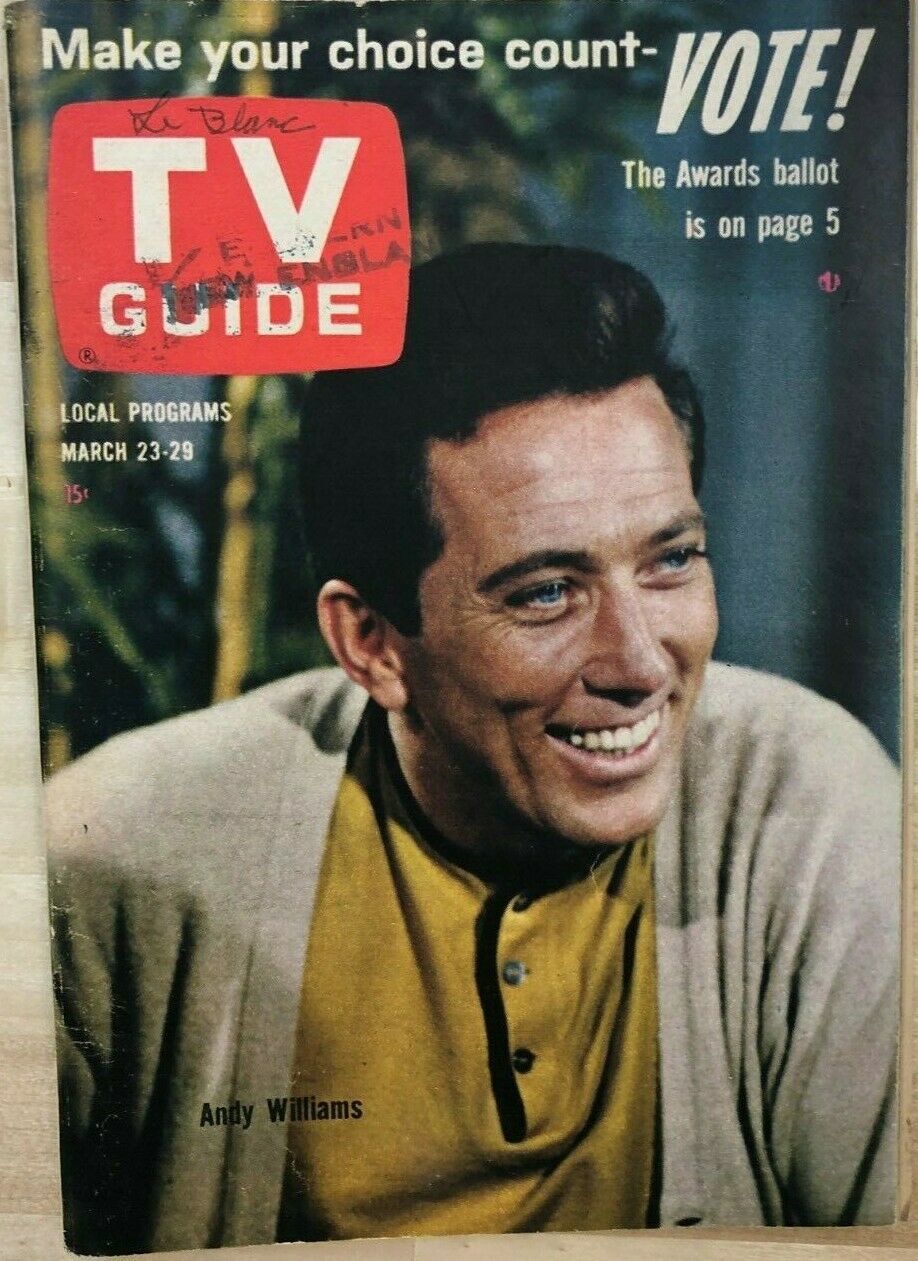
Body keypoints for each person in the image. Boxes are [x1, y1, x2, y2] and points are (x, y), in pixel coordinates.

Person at [47, 244, 899, 1255]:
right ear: (372, 643)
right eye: (546, 592)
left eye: (671, 560)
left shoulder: (805, 811)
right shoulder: (120, 856)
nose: (640, 662)